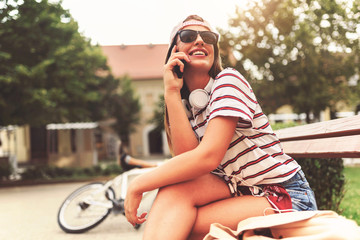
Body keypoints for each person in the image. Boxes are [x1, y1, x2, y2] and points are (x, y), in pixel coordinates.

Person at [124, 15, 317, 240]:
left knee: (177, 221)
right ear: (174, 51)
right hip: (242, 189)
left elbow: (207, 158)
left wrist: (138, 185)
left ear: (214, 48)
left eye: (207, 36)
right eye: (188, 36)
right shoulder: (191, 107)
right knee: (174, 196)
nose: (199, 40)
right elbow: (190, 165)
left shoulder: (228, 81)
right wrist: (172, 93)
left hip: (284, 195)